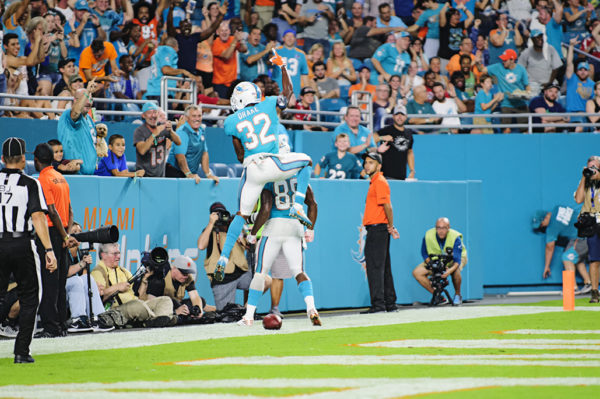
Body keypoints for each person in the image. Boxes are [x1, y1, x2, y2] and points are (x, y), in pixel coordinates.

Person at [214, 53, 313, 283]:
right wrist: (283, 67)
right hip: (271, 161)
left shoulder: (230, 121)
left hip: (252, 169)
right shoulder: (268, 104)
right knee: (306, 161)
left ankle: (223, 258)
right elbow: (289, 95)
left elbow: (240, 155)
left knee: (241, 214)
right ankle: (297, 205)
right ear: (255, 95)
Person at [238, 162, 320, 326]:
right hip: (294, 227)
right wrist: (310, 229)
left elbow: (266, 209)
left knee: (260, 273)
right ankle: (311, 307)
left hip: (274, 227)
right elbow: (313, 204)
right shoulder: (299, 179)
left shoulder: (269, 180)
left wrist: (253, 233)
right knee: (299, 271)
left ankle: (248, 315)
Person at [0, 137, 57, 364]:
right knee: (31, 296)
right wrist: (49, 249)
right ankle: (21, 351)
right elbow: (37, 217)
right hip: (22, 242)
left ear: (3, 159)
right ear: (24, 159)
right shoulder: (30, 183)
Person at [33, 143, 79, 338]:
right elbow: (69, 210)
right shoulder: (61, 178)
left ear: (36, 160)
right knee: (60, 281)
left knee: (48, 281)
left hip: (51, 234)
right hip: (62, 234)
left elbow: (51, 211)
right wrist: (67, 236)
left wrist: (63, 236)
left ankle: (51, 326)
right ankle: (61, 324)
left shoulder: (43, 179)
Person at [91, 242, 176, 328]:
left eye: (119, 253)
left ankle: (154, 321)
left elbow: (140, 298)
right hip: (116, 311)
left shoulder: (124, 271)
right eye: (115, 254)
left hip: (136, 307)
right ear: (103, 255)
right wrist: (117, 287)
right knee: (137, 305)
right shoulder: (98, 272)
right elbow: (97, 300)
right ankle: (161, 319)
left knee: (165, 300)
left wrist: (144, 281)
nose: (119, 257)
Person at [361, 151, 400, 313]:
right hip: (379, 229)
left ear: (379, 165)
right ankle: (389, 303)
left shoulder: (380, 182)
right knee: (384, 267)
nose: (367, 165)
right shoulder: (375, 182)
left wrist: (391, 226)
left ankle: (378, 305)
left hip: (378, 229)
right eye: (366, 162)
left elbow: (388, 206)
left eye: (371, 162)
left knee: (375, 267)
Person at [197, 202, 252, 311]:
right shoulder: (210, 231)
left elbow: (250, 242)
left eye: (222, 213)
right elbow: (201, 245)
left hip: (241, 274)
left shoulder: (235, 229)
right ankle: (218, 310)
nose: (221, 216)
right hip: (222, 279)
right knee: (225, 315)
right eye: (217, 214)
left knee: (264, 280)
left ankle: (248, 309)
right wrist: (211, 223)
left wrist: (240, 224)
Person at [64, 223, 114, 332]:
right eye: (75, 231)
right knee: (75, 280)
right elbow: (65, 273)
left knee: (88, 279)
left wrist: (94, 287)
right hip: (60, 292)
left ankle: (96, 318)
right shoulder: (62, 250)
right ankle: (77, 320)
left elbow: (84, 278)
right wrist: (81, 264)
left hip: (75, 293)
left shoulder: (80, 253)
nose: (78, 234)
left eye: (80, 231)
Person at [532, 204, 592, 295]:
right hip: (589, 229)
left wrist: (546, 266)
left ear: (546, 217)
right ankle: (588, 284)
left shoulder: (551, 227)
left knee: (567, 258)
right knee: (576, 259)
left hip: (582, 237)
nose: (542, 226)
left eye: (541, 223)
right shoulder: (558, 207)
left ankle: (573, 288)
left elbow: (550, 247)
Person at [412, 217, 468, 305]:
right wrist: (431, 265)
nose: (440, 231)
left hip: (455, 259)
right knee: (417, 272)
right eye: (438, 228)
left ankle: (458, 295)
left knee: (455, 271)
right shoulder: (428, 235)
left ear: (448, 228)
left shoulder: (455, 237)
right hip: (437, 260)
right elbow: (424, 253)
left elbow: (457, 261)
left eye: (443, 228)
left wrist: (449, 271)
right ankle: (438, 296)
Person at [137, 255, 206, 324]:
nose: (186, 276)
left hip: (177, 305)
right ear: (174, 268)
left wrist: (198, 311)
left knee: (200, 301)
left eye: (187, 273)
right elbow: (149, 303)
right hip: (160, 308)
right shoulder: (161, 279)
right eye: (183, 273)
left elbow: (195, 297)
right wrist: (175, 311)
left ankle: (188, 317)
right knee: (172, 301)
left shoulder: (187, 278)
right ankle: (178, 317)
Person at [165, 105, 220, 184]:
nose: (197, 119)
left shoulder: (201, 130)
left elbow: (204, 153)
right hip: (174, 173)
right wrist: (189, 174)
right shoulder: (182, 131)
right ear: (187, 118)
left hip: (188, 173)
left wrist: (208, 174)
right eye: (193, 116)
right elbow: (180, 156)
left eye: (199, 116)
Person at [481, 49, 530, 134]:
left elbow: (527, 85)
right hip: (506, 104)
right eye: (503, 60)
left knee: (525, 130)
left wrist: (527, 93)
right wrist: (478, 62)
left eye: (505, 60)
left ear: (512, 60)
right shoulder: (498, 67)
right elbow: (483, 70)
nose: (503, 61)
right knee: (506, 130)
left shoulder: (521, 69)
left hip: (520, 103)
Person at [56, 80, 99, 175]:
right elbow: (76, 112)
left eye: (91, 99)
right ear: (75, 100)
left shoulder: (90, 119)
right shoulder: (68, 115)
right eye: (86, 98)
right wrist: (87, 91)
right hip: (74, 174)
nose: (89, 102)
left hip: (89, 175)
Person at [574, 156, 600, 303]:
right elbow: (578, 199)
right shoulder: (585, 182)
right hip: (592, 223)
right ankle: (595, 291)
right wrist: (584, 178)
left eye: (595, 167)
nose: (592, 170)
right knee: (594, 259)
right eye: (590, 167)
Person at [133, 102, 182, 177]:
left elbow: (178, 142)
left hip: (160, 177)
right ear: (143, 116)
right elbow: (142, 150)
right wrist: (154, 134)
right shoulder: (139, 131)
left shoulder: (162, 128)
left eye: (155, 112)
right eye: (149, 113)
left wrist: (171, 131)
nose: (153, 115)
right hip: (144, 177)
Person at [374, 105, 415, 180]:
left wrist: (412, 170)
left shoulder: (408, 133)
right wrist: (382, 138)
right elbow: (372, 138)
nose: (399, 117)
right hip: (386, 175)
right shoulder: (387, 130)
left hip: (402, 176)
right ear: (393, 116)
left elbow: (410, 152)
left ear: (406, 117)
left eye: (402, 114)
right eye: (397, 114)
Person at [517, 29, 562, 96]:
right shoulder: (526, 52)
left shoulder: (550, 49)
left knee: (557, 94)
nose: (540, 39)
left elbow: (556, 67)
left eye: (541, 36)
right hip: (533, 83)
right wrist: (526, 83)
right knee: (531, 96)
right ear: (532, 39)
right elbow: (520, 68)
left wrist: (549, 83)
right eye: (537, 37)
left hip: (549, 81)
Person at [212, 20, 248, 98]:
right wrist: (235, 40)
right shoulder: (215, 43)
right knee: (222, 107)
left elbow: (244, 50)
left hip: (232, 81)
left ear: (229, 31)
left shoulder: (232, 39)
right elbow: (226, 56)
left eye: (226, 30)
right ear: (217, 32)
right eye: (222, 31)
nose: (224, 33)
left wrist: (241, 40)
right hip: (219, 82)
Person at [566, 37, 595, 133]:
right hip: (573, 115)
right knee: (580, 126)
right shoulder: (572, 79)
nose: (583, 72)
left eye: (585, 70)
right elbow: (569, 63)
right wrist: (571, 46)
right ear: (577, 72)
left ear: (589, 72)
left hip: (588, 116)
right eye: (580, 70)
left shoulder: (593, 85)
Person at [271, 29, 309, 98]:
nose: (290, 38)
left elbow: (304, 75)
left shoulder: (301, 54)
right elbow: (269, 68)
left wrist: (306, 92)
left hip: (295, 92)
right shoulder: (275, 51)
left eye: (292, 36)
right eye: (287, 36)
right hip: (277, 91)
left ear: (295, 39)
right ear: (283, 38)